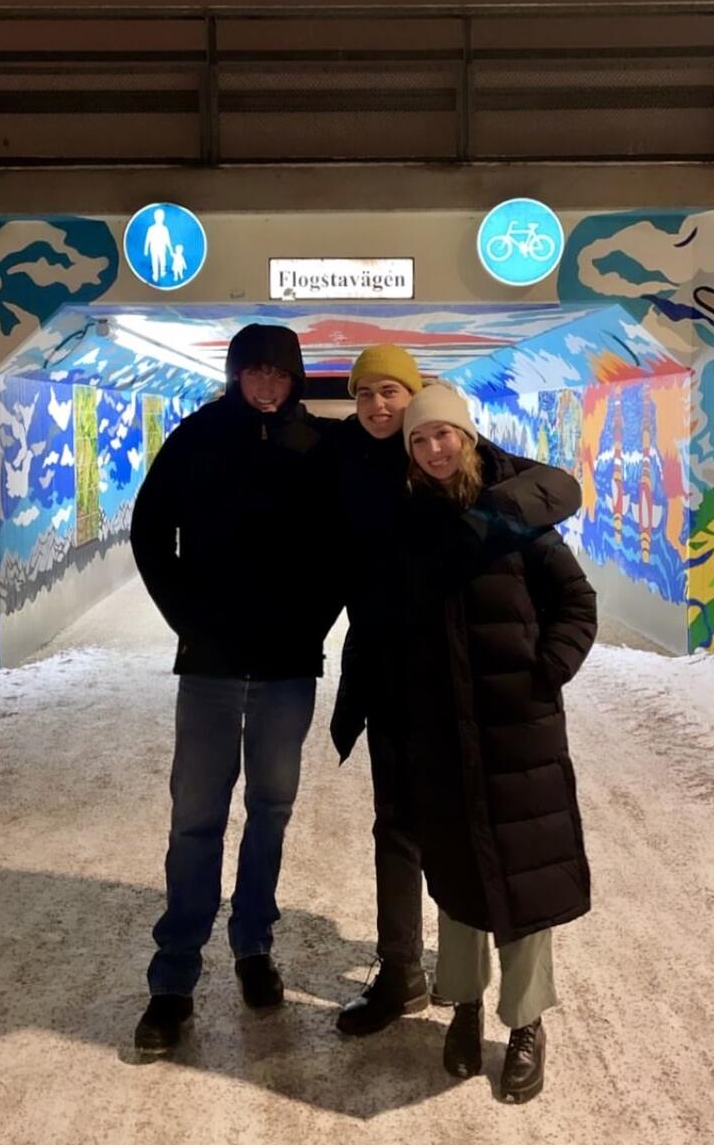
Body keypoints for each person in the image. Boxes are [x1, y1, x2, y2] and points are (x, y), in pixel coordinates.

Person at [326, 346, 585, 1038]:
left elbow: (559, 487)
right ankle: (405, 973)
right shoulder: (345, 458)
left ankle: (515, 1012)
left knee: (497, 841)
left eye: (393, 394)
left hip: (486, 699)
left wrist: (545, 668)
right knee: (407, 832)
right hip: (399, 685)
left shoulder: (478, 479)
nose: (380, 407)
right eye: (366, 395)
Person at [130, 323, 334, 1053]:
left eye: (281, 375)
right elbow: (150, 532)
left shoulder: (317, 447)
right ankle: (174, 977)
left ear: (297, 377)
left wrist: (311, 624)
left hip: (285, 672)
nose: (269, 387)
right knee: (195, 821)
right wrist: (187, 617)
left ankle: (254, 945)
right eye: (256, 373)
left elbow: (341, 551)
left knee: (271, 810)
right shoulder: (196, 437)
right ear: (235, 373)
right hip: (211, 671)